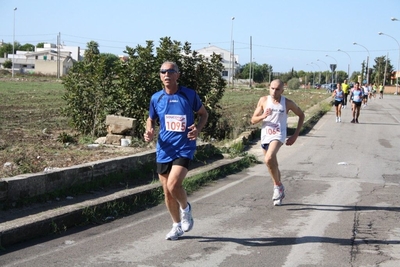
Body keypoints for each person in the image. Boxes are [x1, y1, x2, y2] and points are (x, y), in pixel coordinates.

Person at [144, 61, 209, 240]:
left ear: (177, 75)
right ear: (160, 75)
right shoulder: (156, 98)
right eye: (163, 71)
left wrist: (198, 129)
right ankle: (176, 225)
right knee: (167, 191)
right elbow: (151, 119)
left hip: (184, 147)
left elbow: (204, 114)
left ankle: (186, 209)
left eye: (171, 71)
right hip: (164, 149)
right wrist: (149, 130)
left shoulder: (189, 95)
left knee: (174, 185)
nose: (166, 74)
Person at [250, 79, 305, 206]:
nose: (274, 91)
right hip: (265, 135)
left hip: (278, 135)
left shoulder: (288, 103)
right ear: (269, 88)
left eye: (277, 89)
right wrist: (263, 116)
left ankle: (277, 187)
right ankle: (279, 189)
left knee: (269, 158)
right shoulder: (263, 100)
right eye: (272, 88)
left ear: (282, 90)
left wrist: (295, 135)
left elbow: (301, 115)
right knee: (272, 165)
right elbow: (253, 120)